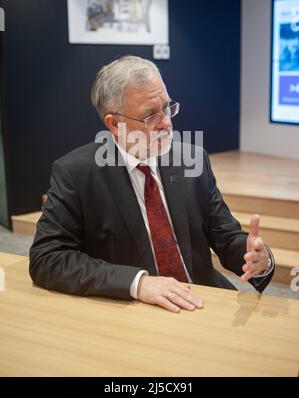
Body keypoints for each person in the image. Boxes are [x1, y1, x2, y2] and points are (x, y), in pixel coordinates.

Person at [29, 56, 274, 313]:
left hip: (200, 295)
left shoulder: (191, 160)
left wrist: (256, 258)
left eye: (168, 108)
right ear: (114, 123)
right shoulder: (76, 173)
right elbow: (47, 258)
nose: (167, 123)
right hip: (135, 308)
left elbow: (224, 235)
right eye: (150, 116)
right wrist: (138, 283)